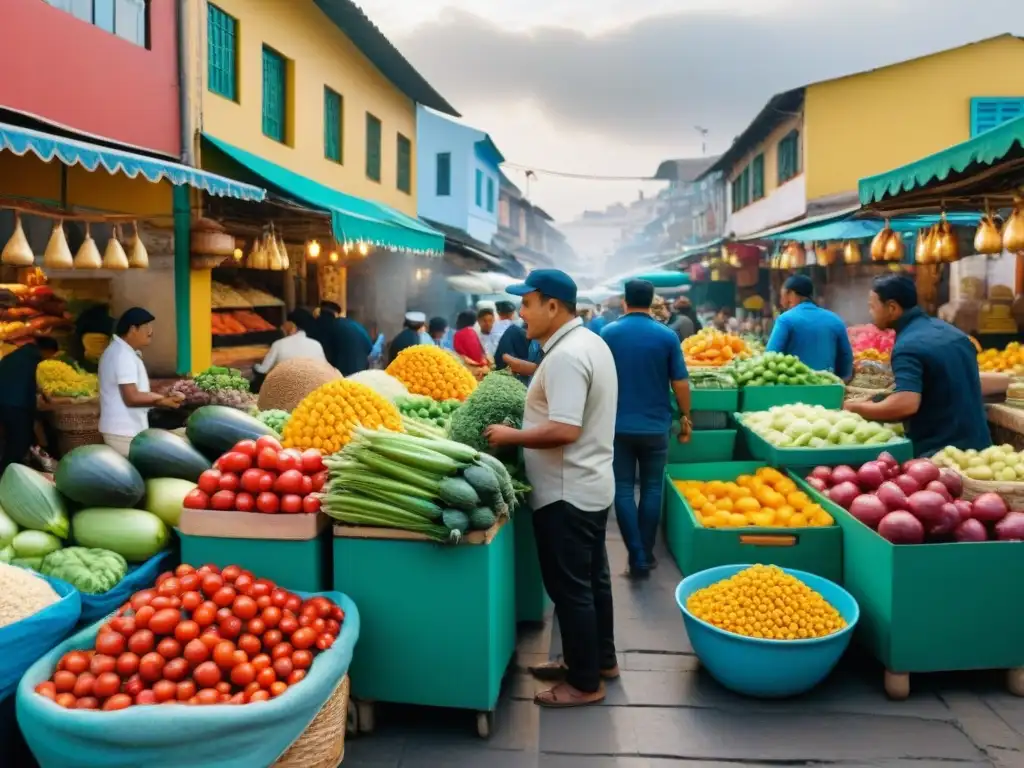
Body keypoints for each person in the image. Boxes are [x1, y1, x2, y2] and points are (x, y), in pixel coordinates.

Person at [485, 269, 618, 708]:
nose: (520, 314)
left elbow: (564, 428)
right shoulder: (586, 344)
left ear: (553, 306)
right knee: (592, 582)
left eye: (526, 303)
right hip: (589, 485)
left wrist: (510, 436)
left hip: (567, 493)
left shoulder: (566, 356)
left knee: (570, 589)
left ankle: (583, 684)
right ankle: (599, 661)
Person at [844, 274, 990, 458]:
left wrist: (853, 408)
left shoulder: (907, 346)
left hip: (943, 454)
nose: (870, 313)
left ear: (892, 308)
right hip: (981, 448)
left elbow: (906, 405)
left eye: (872, 306)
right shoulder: (953, 333)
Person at [601, 280, 691, 577]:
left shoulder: (608, 334)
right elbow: (680, 382)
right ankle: (646, 552)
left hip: (617, 426)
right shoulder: (666, 336)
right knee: (653, 488)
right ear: (652, 301)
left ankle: (637, 554)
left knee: (623, 489)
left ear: (625, 301)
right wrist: (686, 416)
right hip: (656, 426)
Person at [98, 308, 183, 457]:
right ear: (133, 329)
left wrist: (161, 396)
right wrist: (162, 401)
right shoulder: (122, 355)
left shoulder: (121, 351)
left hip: (123, 430)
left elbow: (135, 392)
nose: (151, 332)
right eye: (146, 327)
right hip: (124, 432)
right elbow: (132, 397)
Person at [766, 275, 854, 379]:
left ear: (791, 294)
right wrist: (839, 381)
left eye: (782, 295)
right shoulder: (835, 320)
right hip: (828, 388)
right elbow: (846, 357)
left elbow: (770, 356)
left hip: (793, 389)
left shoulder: (785, 319)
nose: (781, 302)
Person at [0, 336, 59, 471]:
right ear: (47, 351)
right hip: (15, 405)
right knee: (19, 443)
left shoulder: (14, 355)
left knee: (12, 440)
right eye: (51, 355)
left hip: (5, 402)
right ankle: (6, 473)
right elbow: (29, 389)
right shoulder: (34, 361)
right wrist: (36, 415)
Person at [253, 309, 326, 377]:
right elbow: (325, 368)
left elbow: (263, 370)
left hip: (285, 387)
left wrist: (254, 366)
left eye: (286, 322)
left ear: (292, 325)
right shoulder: (316, 345)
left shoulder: (279, 344)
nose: (282, 326)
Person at [314, 301, 371, 376]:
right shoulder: (356, 326)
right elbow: (369, 349)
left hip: (340, 375)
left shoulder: (324, 327)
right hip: (360, 374)